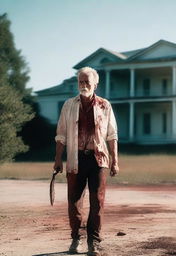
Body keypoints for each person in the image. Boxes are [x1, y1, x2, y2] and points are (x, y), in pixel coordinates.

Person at [53, 66, 119, 256]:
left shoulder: (105, 105)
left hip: (98, 159)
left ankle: (94, 242)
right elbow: (61, 135)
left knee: (97, 201)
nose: (83, 85)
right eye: (80, 81)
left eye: (87, 82)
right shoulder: (69, 105)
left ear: (95, 84)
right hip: (76, 158)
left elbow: (112, 135)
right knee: (74, 201)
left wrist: (115, 160)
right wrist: (58, 159)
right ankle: (76, 238)